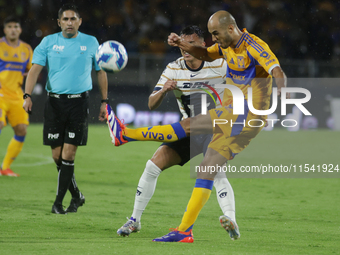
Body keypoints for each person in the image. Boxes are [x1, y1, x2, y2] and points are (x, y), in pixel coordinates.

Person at [107, 10, 287, 242]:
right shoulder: (218, 49)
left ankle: (126, 135)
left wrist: (282, 89)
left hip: (243, 113)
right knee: (207, 169)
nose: (214, 39)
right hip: (236, 118)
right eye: (211, 34)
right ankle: (184, 231)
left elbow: (276, 69)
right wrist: (180, 44)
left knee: (191, 125)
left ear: (230, 29)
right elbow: (205, 53)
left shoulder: (253, 45)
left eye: (215, 34)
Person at [116, 26, 237, 239]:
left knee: (216, 172)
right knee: (153, 165)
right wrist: (164, 90)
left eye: (190, 43)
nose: (185, 48)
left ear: (203, 45)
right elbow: (151, 104)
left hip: (215, 130)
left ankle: (230, 219)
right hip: (188, 132)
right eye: (182, 43)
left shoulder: (220, 64)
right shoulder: (173, 68)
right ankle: (134, 220)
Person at [23, 4, 108, 214]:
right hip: (54, 103)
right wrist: (27, 96)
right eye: (65, 19)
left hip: (78, 104)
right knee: (56, 156)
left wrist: (104, 101)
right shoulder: (48, 42)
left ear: (80, 21)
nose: (69, 23)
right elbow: (34, 71)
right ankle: (77, 195)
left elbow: (101, 72)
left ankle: (58, 203)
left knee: (69, 154)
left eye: (73, 19)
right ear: (59, 22)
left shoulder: (91, 42)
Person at [0, 16, 33, 177]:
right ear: (5, 30)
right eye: (10, 26)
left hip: (16, 95)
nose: (13, 29)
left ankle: (5, 167)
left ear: (20, 30)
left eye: (16, 26)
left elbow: (32, 70)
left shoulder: (26, 49)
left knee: (21, 130)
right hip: (0, 95)